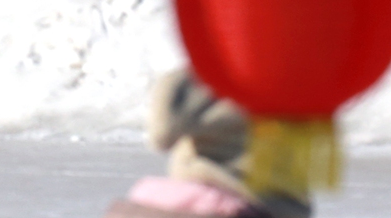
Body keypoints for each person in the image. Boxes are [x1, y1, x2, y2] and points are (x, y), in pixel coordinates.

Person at [104, 69, 311, 218]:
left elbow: (161, 136)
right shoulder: (299, 74)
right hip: (276, 206)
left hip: (212, 197)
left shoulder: (210, 74)